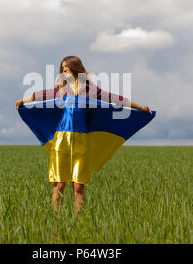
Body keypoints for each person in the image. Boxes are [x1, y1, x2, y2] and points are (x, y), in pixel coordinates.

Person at [15, 55, 154, 213]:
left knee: (78, 186)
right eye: (63, 67)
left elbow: (116, 99)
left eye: (67, 66)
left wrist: (140, 107)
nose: (64, 69)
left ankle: (79, 223)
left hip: (82, 141)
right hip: (62, 141)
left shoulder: (91, 90)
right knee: (59, 185)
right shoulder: (62, 90)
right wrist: (24, 100)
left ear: (75, 67)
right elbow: (42, 95)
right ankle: (55, 219)